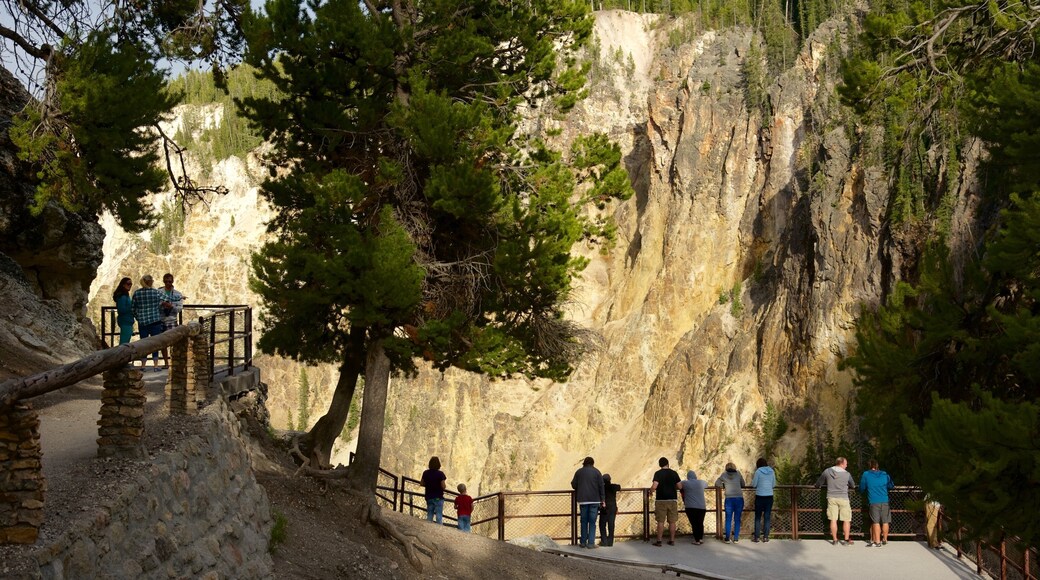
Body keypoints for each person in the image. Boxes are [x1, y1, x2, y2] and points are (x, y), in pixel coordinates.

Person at [816, 456, 857, 545]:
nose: (846, 465)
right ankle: (846, 540)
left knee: (833, 519)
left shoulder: (827, 471)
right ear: (841, 463)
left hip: (831, 497)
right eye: (846, 464)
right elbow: (853, 485)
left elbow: (819, 483)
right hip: (843, 498)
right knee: (846, 519)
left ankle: (835, 540)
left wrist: (817, 486)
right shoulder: (847, 474)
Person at [131, 274, 167, 369]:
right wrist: (180, 297)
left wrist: (138, 317)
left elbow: (133, 308)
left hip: (142, 322)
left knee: (144, 343)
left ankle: (143, 365)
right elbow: (168, 299)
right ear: (150, 282)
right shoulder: (156, 292)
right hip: (155, 321)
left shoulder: (137, 293)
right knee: (155, 343)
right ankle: (155, 365)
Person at [570, 456, 605, 548]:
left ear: (584, 463)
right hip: (594, 500)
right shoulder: (597, 472)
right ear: (593, 463)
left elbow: (573, 485)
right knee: (592, 522)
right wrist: (603, 500)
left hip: (583, 500)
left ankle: (582, 542)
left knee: (584, 521)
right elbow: (601, 487)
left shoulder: (579, 472)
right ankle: (591, 543)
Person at [859, 459, 895, 547]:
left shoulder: (866, 474)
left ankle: (877, 541)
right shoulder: (884, 474)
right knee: (885, 521)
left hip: (873, 501)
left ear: (869, 466)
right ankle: (885, 539)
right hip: (885, 500)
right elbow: (891, 485)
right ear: (877, 466)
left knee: (876, 522)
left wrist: (861, 490)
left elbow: (862, 487)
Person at [649, 457, 681, 546]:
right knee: (672, 521)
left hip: (661, 500)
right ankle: (672, 540)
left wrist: (651, 491)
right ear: (668, 464)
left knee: (660, 521)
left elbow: (654, 486)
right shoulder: (674, 473)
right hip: (672, 500)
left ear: (660, 465)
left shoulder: (658, 474)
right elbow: (680, 486)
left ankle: (659, 541)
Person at [158, 273, 185, 367]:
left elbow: (179, 308)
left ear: (172, 281)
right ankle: (166, 362)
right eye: (166, 281)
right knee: (162, 343)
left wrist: (171, 306)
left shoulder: (178, 294)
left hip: (171, 320)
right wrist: (161, 305)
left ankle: (174, 362)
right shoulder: (159, 292)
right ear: (163, 281)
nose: (168, 283)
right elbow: (154, 305)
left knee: (174, 342)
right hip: (161, 320)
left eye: (169, 281)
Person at [716, 462, 746, 543]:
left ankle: (727, 538)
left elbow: (717, 483)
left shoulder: (724, 475)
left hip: (729, 499)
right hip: (739, 499)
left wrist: (724, 486)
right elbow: (743, 484)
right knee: (737, 519)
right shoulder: (738, 473)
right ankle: (736, 538)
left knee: (728, 519)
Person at [678, 469, 707, 545]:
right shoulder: (701, 482)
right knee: (700, 522)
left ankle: (696, 540)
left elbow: (678, 486)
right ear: (695, 476)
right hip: (701, 506)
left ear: (688, 477)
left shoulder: (685, 483)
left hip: (690, 506)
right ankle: (700, 538)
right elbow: (706, 484)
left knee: (694, 523)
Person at [751, 457, 777, 543]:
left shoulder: (758, 472)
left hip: (760, 496)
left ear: (758, 465)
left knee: (758, 517)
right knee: (767, 517)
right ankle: (766, 537)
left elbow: (754, 484)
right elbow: (774, 484)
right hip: (769, 496)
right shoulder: (772, 471)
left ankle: (757, 537)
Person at [421, 456, 447, 524]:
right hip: (438, 497)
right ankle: (439, 530)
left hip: (429, 496)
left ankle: (429, 529)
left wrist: (429, 484)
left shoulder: (425, 473)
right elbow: (443, 486)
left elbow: (422, 483)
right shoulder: (440, 474)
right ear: (438, 464)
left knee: (429, 514)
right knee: (438, 515)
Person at [599, 473, 621, 547]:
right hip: (613, 507)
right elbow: (619, 487)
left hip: (604, 508)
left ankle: (604, 541)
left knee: (602, 524)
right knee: (611, 524)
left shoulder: (601, 488)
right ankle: (610, 542)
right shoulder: (613, 487)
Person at [112, 277, 135, 345]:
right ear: (123, 285)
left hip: (127, 321)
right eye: (128, 284)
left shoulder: (125, 295)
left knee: (125, 342)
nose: (130, 285)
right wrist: (132, 308)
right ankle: (120, 355)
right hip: (125, 321)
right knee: (124, 343)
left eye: (131, 284)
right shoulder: (122, 296)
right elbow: (121, 309)